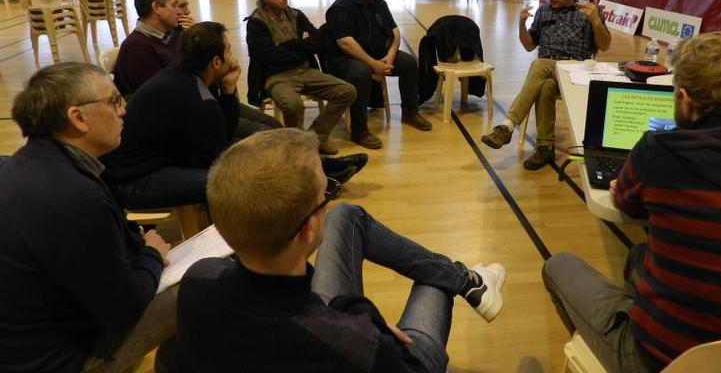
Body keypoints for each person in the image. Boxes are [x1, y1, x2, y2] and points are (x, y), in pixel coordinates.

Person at [173, 128, 507, 372]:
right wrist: (365, 320)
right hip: (394, 359)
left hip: (320, 319)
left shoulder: (196, 279)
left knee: (347, 216)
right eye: (326, 194)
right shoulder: (355, 345)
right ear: (308, 228)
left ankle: (468, 280)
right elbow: (368, 349)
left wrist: (355, 324)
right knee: (434, 281)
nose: (328, 201)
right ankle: (465, 280)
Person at [542, 31, 721, 373]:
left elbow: (624, 202)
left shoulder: (661, 152)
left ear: (684, 99)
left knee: (557, 265)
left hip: (664, 360)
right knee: (638, 256)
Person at [0, 62, 173, 372]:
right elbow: (123, 309)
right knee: (199, 285)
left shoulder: (23, 163)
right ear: (77, 118)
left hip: (22, 347)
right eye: (114, 101)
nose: (123, 111)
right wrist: (152, 254)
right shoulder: (75, 195)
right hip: (62, 359)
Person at [103, 21, 243, 210]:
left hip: (142, 164)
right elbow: (216, 157)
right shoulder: (198, 100)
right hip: (131, 181)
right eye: (228, 51)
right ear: (216, 62)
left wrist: (227, 89)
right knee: (229, 180)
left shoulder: (181, 72)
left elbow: (219, 135)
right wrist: (228, 91)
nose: (232, 57)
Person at [481, 0, 611, 170]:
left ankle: (507, 125)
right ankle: (545, 148)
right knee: (546, 87)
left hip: (574, 71)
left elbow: (604, 45)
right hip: (548, 72)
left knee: (539, 65)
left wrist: (595, 22)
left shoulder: (587, 12)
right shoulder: (544, 12)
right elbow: (529, 45)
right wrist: (522, 24)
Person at [113, 0, 280, 139]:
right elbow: (163, 102)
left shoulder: (175, 35)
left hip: (209, 101)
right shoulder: (137, 49)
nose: (181, 12)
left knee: (274, 125)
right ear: (157, 7)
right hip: (187, 119)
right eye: (175, 6)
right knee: (268, 136)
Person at [246, 0, 356, 155]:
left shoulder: (295, 15)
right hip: (277, 77)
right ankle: (296, 147)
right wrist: (301, 47)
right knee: (292, 104)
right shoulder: (256, 23)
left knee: (347, 91)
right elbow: (268, 56)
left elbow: (318, 41)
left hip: (305, 70)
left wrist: (291, 47)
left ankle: (316, 137)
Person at [326, 0, 432, 149]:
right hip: (345, 60)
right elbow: (346, 43)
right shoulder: (339, 9)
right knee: (361, 72)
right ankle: (359, 131)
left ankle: (410, 112)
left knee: (408, 63)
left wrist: (389, 58)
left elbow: (395, 32)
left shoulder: (377, 1)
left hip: (377, 55)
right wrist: (373, 64)